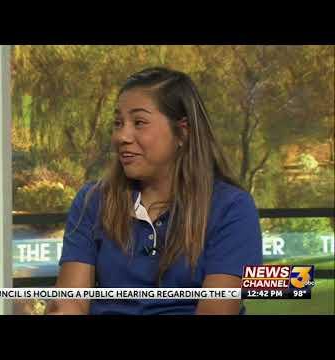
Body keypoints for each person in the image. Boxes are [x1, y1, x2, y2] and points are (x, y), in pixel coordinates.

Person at [45, 67, 262, 315]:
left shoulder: (231, 208)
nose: (122, 136)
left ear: (182, 132)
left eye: (139, 123)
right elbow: (71, 301)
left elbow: (217, 310)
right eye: (118, 123)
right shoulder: (92, 201)